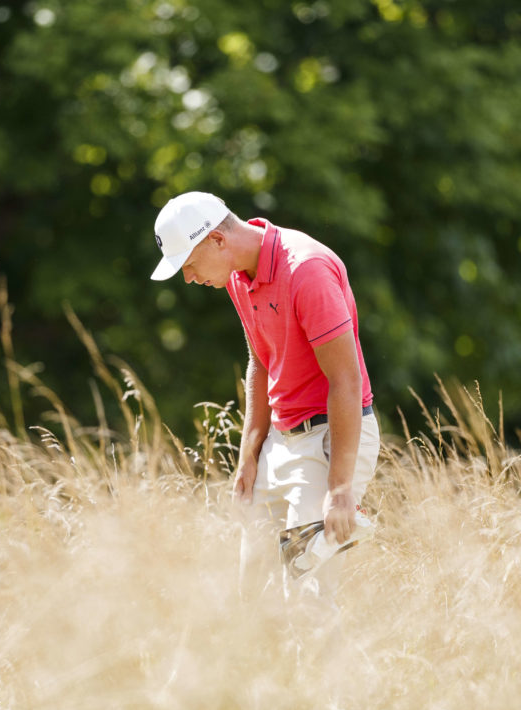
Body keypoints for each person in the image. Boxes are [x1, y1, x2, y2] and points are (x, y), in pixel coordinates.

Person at [150, 191, 380, 593]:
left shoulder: (307, 269)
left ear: (217, 240)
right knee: (253, 593)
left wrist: (340, 488)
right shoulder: (239, 276)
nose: (189, 278)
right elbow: (260, 362)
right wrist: (248, 455)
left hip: (332, 438)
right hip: (281, 440)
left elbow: (346, 381)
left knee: (308, 601)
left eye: (188, 265)